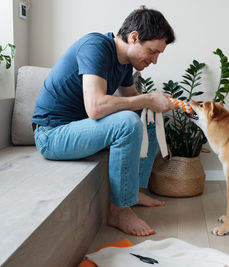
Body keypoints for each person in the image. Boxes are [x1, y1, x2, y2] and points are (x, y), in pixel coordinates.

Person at [32, 7, 177, 236]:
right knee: (129, 122)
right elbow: (96, 107)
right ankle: (119, 211)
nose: (155, 60)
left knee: (147, 117)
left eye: (159, 54)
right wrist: (148, 98)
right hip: (51, 135)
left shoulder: (125, 64)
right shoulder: (96, 47)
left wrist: (156, 103)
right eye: (153, 51)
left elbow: (132, 99)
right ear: (134, 37)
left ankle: (134, 191)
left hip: (78, 129)